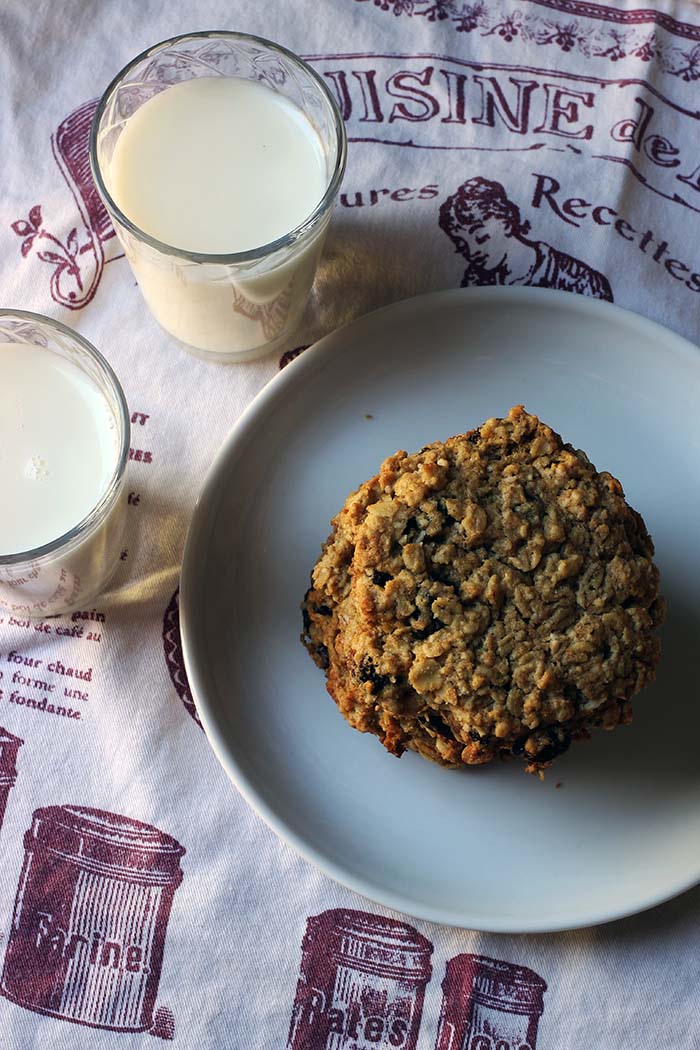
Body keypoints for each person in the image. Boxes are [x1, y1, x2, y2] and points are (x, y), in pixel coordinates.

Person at [439, 176, 613, 301]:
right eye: (461, 245)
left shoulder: (580, 281)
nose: (472, 251)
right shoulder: (474, 280)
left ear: (506, 222)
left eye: (480, 236)